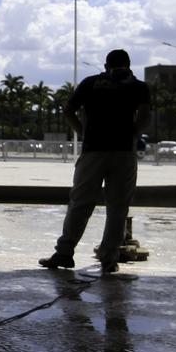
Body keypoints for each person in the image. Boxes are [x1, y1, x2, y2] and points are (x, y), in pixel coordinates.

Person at [40, 49, 150, 275]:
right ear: (129, 65)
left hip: (93, 151)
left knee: (80, 204)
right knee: (118, 208)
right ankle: (108, 260)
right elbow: (145, 115)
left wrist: (82, 132)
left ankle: (64, 253)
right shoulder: (138, 87)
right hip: (123, 153)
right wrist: (133, 135)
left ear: (105, 65)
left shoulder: (91, 83)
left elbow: (68, 110)